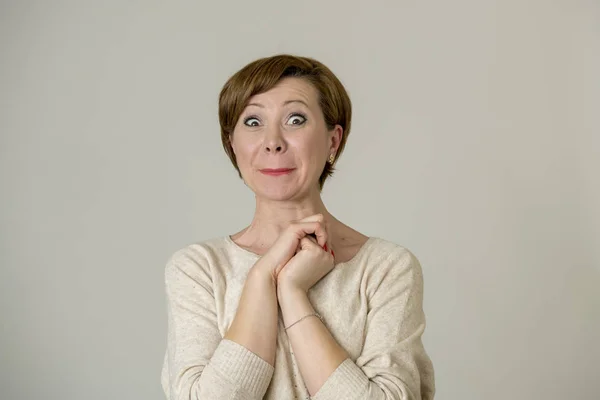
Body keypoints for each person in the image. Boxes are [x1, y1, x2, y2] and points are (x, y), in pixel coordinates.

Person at [160, 54, 435, 400]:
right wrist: (263, 277)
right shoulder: (198, 269)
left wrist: (293, 292)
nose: (272, 141)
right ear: (232, 144)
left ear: (333, 141)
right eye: (253, 122)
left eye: (295, 119)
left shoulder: (386, 268)